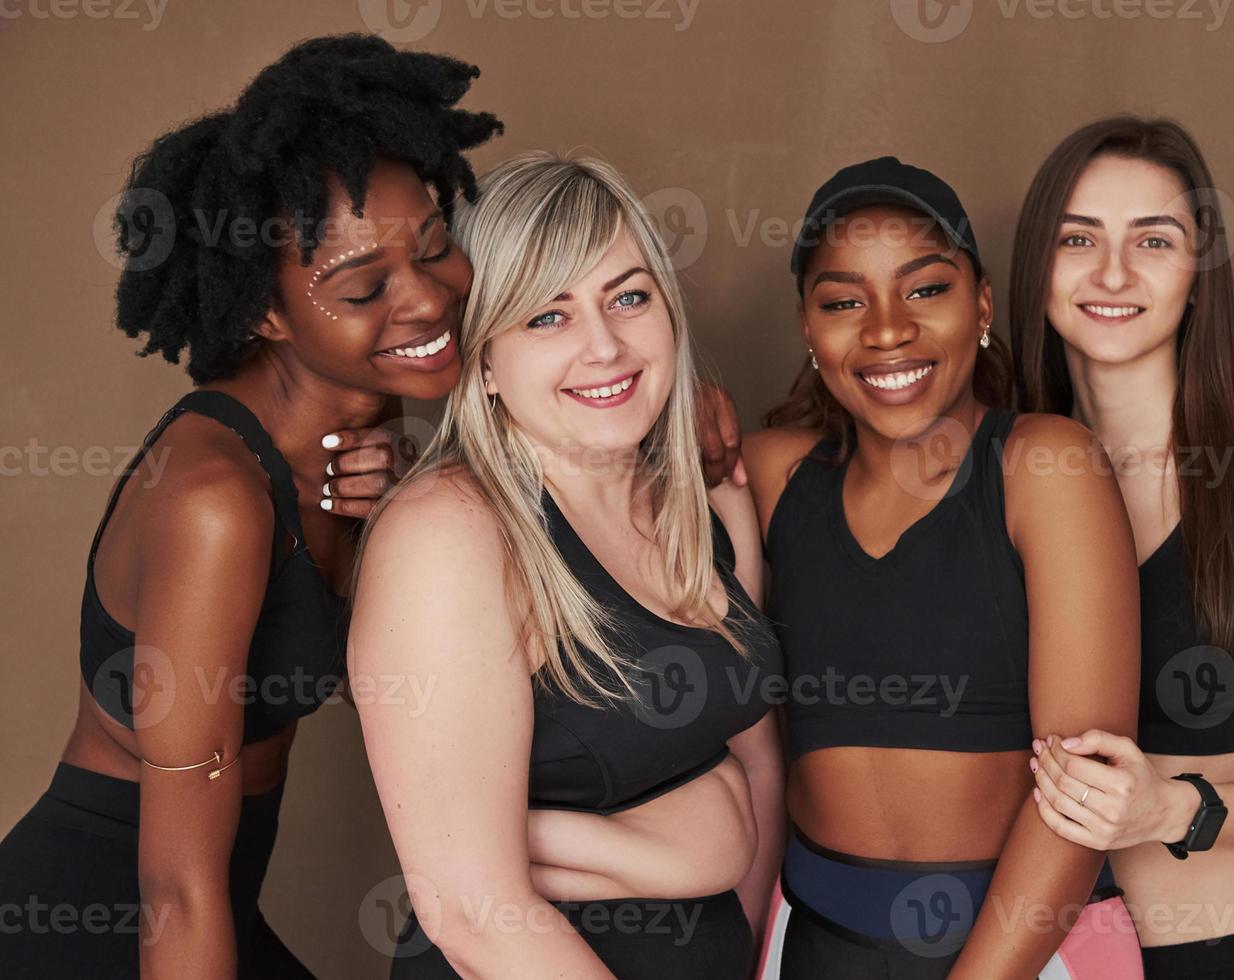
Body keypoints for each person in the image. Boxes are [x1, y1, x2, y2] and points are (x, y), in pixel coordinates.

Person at [0, 34, 501, 977]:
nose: (427, 303)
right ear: (265, 313)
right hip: (107, 925)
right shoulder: (214, 503)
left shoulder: (362, 415)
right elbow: (175, 889)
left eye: (436, 248)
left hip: (210, 901)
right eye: (363, 288)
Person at [349, 152, 785, 979]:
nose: (605, 346)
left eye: (628, 297)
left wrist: (711, 860)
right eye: (546, 317)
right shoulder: (448, 535)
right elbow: (475, 912)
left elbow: (754, 764)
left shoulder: (707, 500)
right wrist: (687, 847)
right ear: (482, 361)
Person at [739, 157, 1145, 978]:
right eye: (844, 302)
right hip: (811, 941)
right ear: (808, 329)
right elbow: (597, 485)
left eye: (926, 289)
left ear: (982, 303)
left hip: (1027, 953)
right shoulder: (773, 475)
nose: (887, 329)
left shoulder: (1042, 465)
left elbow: (1083, 783)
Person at [1019, 117, 1234, 978]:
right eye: (1078, 238)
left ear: (1200, 278)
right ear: (1036, 268)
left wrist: (1166, 811)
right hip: (1026, 959)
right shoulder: (985, 480)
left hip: (1221, 952)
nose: (1113, 273)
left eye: (1155, 241)